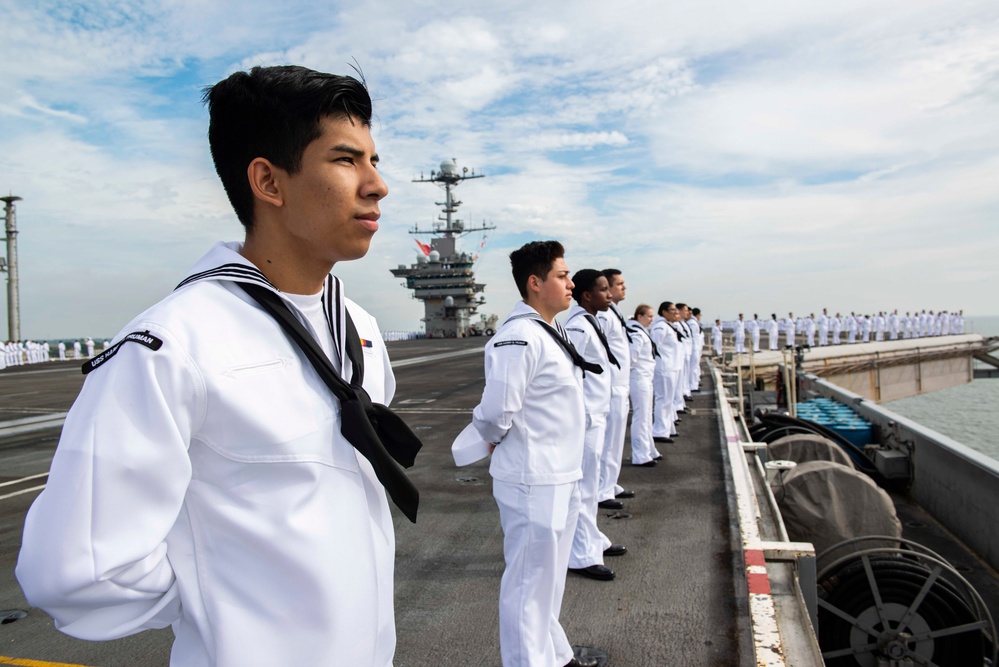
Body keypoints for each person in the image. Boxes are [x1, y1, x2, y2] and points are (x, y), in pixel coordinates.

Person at [17, 65, 416, 667]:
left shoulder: (357, 329)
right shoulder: (174, 343)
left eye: (373, 159)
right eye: (345, 160)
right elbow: (77, 570)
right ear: (268, 181)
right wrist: (224, 605)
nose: (377, 184)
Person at [471, 241, 599, 667]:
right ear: (534, 282)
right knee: (528, 587)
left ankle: (555, 656)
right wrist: (495, 437)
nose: (571, 282)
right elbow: (495, 414)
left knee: (546, 583)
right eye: (562, 276)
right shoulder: (519, 337)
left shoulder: (549, 330)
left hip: (560, 473)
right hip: (533, 477)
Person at [564, 269, 626, 582]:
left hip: (597, 413)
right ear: (587, 295)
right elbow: (569, 373)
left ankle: (592, 541)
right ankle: (580, 554)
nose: (610, 294)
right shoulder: (578, 326)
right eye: (603, 290)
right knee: (583, 488)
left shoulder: (592, 320)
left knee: (589, 486)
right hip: (586, 416)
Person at [596, 269, 634, 510]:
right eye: (619, 284)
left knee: (616, 439)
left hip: (621, 382)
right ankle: (602, 489)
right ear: (608, 288)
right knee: (609, 440)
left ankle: (610, 482)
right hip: (611, 385)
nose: (624, 287)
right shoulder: (604, 315)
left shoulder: (615, 313)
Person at [627, 304, 659, 466]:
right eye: (649, 316)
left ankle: (649, 450)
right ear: (640, 316)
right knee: (641, 417)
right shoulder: (637, 335)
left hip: (646, 378)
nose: (651, 320)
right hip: (639, 378)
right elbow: (631, 359)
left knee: (646, 416)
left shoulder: (641, 332)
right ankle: (640, 454)